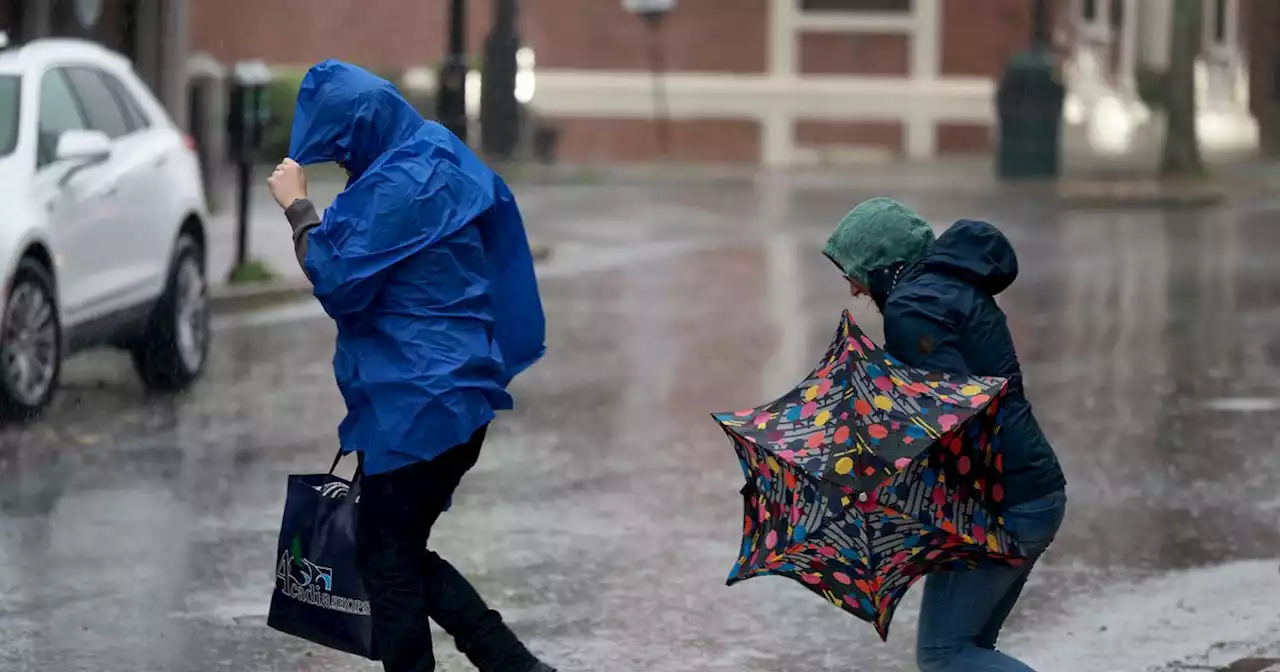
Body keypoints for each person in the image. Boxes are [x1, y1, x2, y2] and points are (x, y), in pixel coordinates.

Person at [265, 60, 555, 672]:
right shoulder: (440, 152)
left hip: (417, 405)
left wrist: (298, 208)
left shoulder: (394, 188)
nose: (345, 166)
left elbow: (338, 280)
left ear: (360, 133)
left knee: (388, 560)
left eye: (343, 151)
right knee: (395, 548)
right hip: (460, 398)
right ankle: (516, 666)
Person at [823, 197, 1067, 672]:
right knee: (971, 651)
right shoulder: (944, 291)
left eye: (853, 270)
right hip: (1028, 491)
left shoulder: (913, 306)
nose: (853, 288)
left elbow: (949, 416)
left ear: (881, 266)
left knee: (944, 655)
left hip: (999, 504)